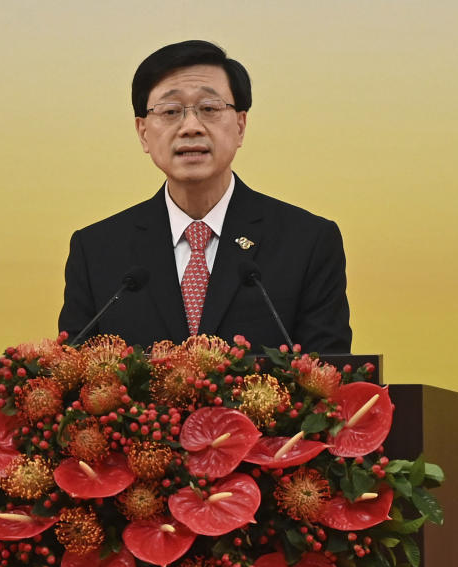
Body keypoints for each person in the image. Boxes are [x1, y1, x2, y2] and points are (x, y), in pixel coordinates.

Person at [58, 40, 352, 354]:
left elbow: (330, 379)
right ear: (143, 132)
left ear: (240, 125)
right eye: (170, 112)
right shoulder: (96, 251)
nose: (190, 127)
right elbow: (72, 377)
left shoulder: (308, 242)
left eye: (209, 109)